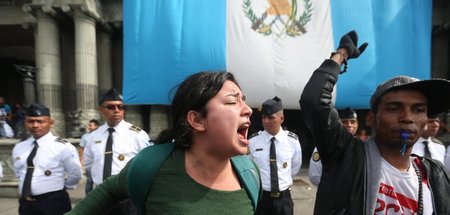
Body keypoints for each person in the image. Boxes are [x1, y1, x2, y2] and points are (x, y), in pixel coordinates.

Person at [299, 30, 450, 214]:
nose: (407, 118)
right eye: (394, 108)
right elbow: (313, 100)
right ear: (371, 118)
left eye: (418, 110)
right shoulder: (347, 155)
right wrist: (342, 54)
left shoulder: (434, 175)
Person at [67, 71, 259, 214]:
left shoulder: (249, 173)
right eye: (233, 102)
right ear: (197, 120)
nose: (248, 110)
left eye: (244, 101)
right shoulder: (151, 167)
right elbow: (109, 191)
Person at [83, 88, 150, 215]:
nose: (117, 111)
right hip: (101, 196)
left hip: (127, 196)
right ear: (101, 109)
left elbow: (147, 166)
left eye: (120, 107)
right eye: (111, 107)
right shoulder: (93, 137)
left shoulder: (137, 135)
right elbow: (89, 165)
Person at [12, 103, 82, 215]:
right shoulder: (19, 147)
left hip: (53, 202)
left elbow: (75, 174)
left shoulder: (62, 147)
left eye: (40, 121)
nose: (35, 125)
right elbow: (19, 172)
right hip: (26, 204)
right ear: (25, 122)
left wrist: (61, 187)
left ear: (50, 123)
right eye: (31, 121)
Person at [248, 96, 302, 215]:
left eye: (271, 118)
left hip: (284, 199)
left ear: (281, 118)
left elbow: (295, 167)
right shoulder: (253, 141)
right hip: (262, 199)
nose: (266, 121)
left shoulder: (292, 141)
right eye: (264, 117)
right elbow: (249, 169)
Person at [308, 107, 359, 187]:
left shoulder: (362, 145)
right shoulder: (325, 145)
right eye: (345, 122)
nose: (349, 125)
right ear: (337, 123)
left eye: (353, 122)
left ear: (357, 124)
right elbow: (314, 175)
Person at [79, 119, 100, 195]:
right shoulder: (85, 136)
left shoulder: (101, 135)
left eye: (90, 125)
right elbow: (81, 149)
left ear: (96, 126)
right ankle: (88, 197)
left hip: (99, 162)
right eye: (89, 125)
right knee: (90, 180)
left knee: (100, 180)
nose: (88, 127)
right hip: (89, 163)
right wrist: (81, 160)